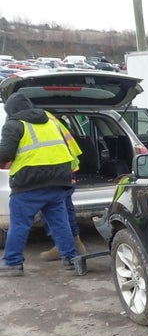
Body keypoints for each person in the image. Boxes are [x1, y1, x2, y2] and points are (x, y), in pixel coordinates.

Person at [0, 92, 77, 277]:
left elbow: (4, 155)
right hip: (59, 180)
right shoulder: (51, 122)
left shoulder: (13, 125)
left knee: (19, 224)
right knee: (60, 223)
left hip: (29, 183)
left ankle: (12, 263)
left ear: (11, 111)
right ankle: (72, 260)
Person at [38, 111, 87, 261]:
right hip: (67, 168)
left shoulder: (36, 120)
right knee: (66, 206)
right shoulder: (49, 117)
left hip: (56, 170)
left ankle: (62, 246)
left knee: (52, 209)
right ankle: (77, 243)